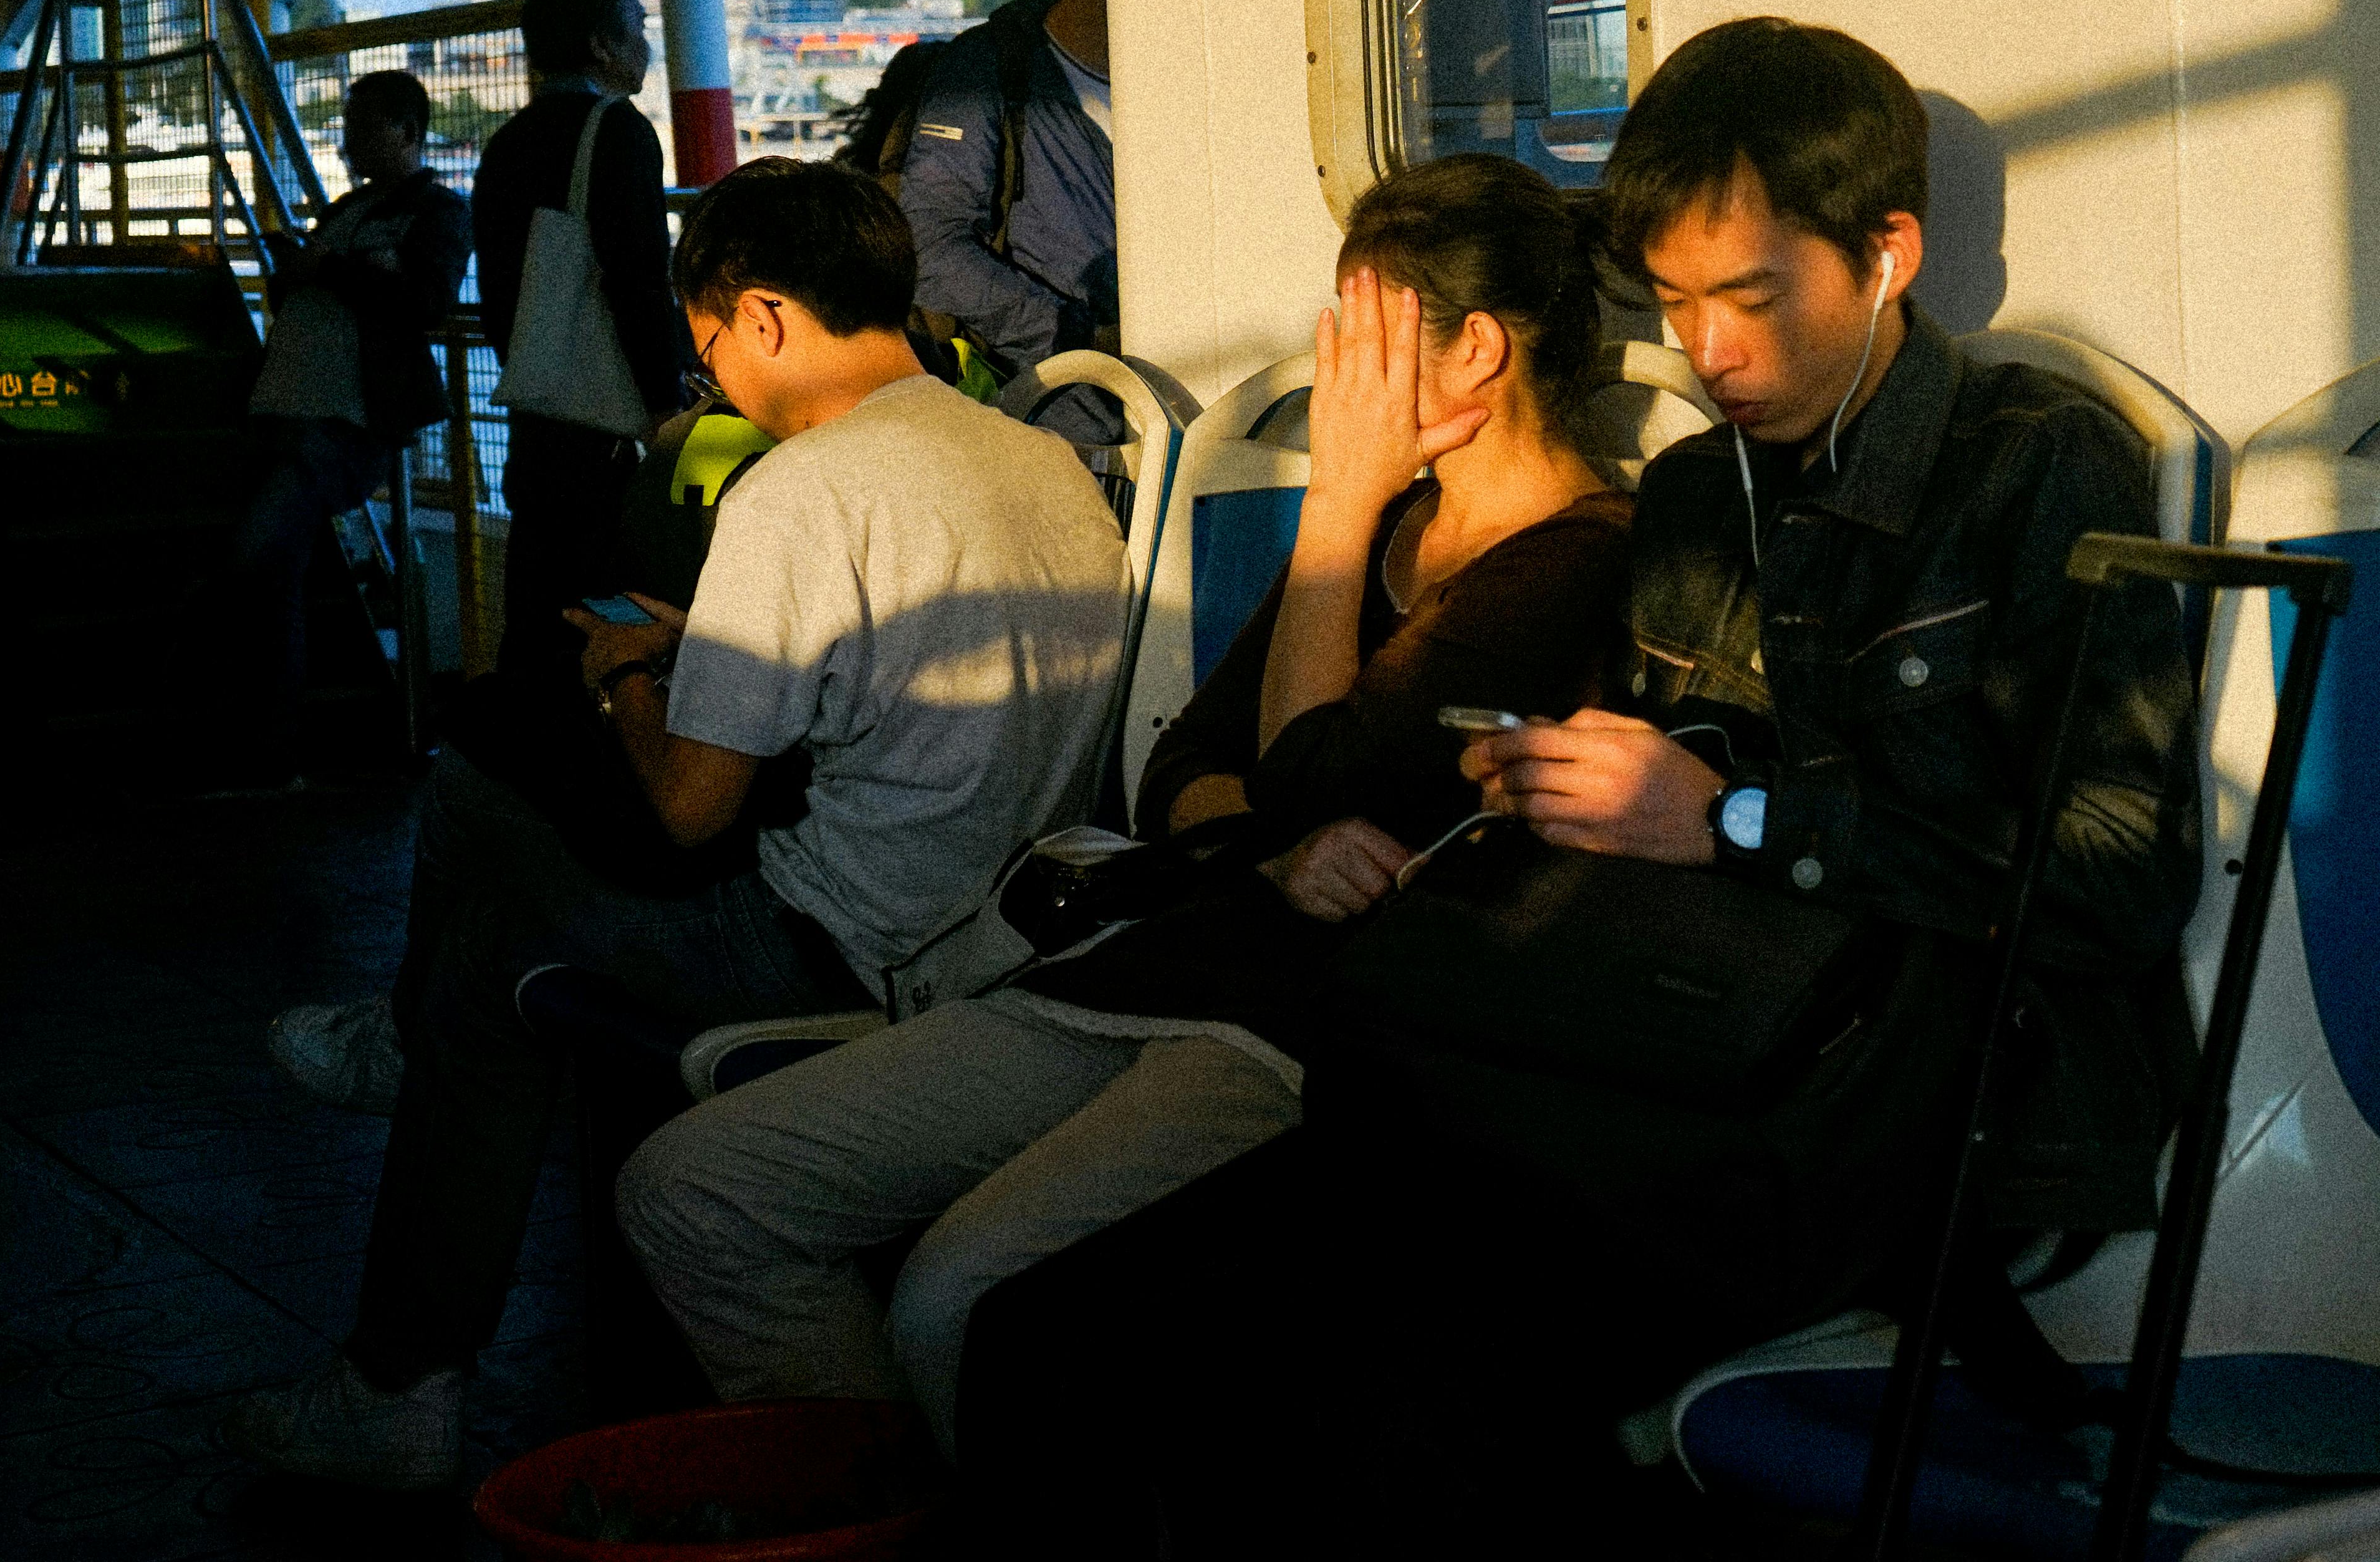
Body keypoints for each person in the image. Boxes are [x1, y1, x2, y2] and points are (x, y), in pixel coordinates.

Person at [952, 21, 2196, 1557]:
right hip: (1635, 1077)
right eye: (1678, 306)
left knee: (1352, 1406)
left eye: (1751, 297)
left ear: (1887, 254)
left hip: (1888, 1112)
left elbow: (2119, 870)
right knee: (1048, 1338)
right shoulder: (1689, 493)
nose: (1716, 352)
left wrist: (1734, 821)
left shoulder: (2036, 465)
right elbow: (1661, 789)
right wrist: (1537, 800)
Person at [616, 155, 1633, 1449]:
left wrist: (1332, 507)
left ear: (1476, 349)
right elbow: (1191, 767)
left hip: (1293, 1024)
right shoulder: (1389, 535)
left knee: (963, 1294)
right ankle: (869, 1506)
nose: (1332, 374)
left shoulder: (1572, 559)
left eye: (1355, 335)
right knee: (693, 1185)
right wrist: (1268, 834)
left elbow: (1310, 771)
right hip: (1146, 960)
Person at [230, 158, 1130, 1492]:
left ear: (762, 315)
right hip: (1001, 910)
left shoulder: (800, 489)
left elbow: (692, 804)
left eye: (710, 343)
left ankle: (398, 1371)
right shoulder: (1038, 457)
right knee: (496, 821)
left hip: (841, 946)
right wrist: (718, 650)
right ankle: (400, 1104)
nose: (715, 379)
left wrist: (635, 676)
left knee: (487, 879)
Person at [224, 70, 469, 770]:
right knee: (270, 574)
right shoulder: (351, 211)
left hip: (340, 422)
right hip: (292, 413)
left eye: (362, 125)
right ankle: (268, 749)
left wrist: (326, 269)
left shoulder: (439, 211)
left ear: (407, 131)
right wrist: (325, 268)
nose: (348, 140)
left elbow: (423, 299)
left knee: (260, 563)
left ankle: (267, 750)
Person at [474, 0, 684, 685]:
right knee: (617, 601)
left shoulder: (506, 144)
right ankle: (614, 749)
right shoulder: (617, 131)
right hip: (609, 435)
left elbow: (505, 294)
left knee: (538, 606)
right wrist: (664, 406)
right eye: (637, 25)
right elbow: (639, 282)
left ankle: (520, 755)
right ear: (601, 44)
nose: (646, 41)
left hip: (538, 416)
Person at [900, 0, 1114, 394]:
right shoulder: (985, 70)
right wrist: (1082, 338)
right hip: (1060, 409)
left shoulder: (1187, 73)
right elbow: (931, 247)